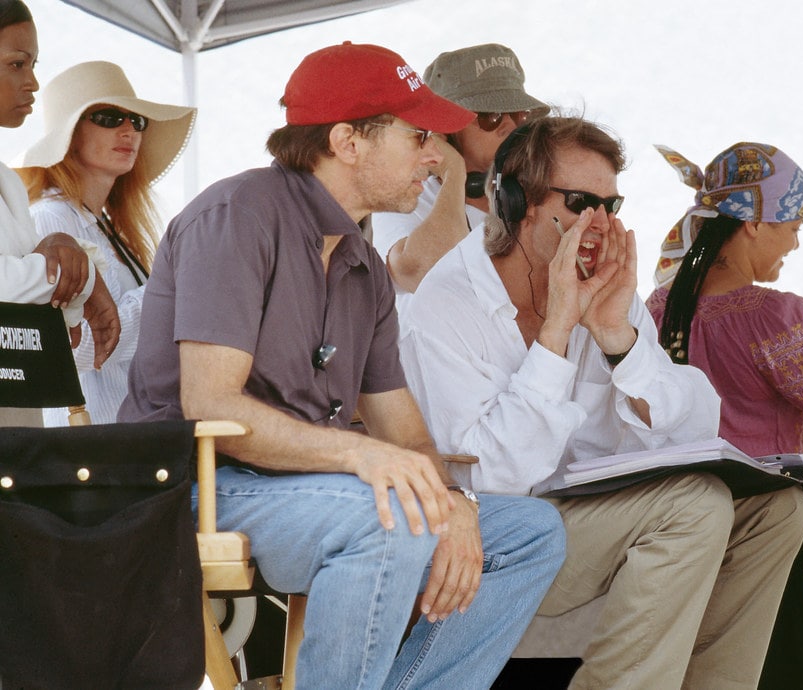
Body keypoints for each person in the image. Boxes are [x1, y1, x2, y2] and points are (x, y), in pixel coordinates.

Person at [117, 42, 565, 688]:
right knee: (388, 516)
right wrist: (361, 458)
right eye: (416, 136)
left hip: (299, 489)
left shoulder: (364, 265)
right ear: (348, 141)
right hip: (192, 484)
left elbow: (403, 433)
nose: (435, 155)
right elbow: (209, 404)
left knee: (529, 532)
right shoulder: (238, 215)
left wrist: (456, 500)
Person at [399, 116, 803, 689]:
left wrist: (619, 337)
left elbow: (690, 427)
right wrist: (558, 332)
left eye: (611, 206)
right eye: (580, 201)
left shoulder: (602, 285)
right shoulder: (448, 303)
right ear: (516, 199)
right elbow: (492, 476)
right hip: (499, 531)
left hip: (592, 519)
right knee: (695, 505)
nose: (599, 222)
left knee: (780, 512)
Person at [650, 141, 803, 690]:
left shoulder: (661, 309)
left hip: (690, 535)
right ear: (755, 223)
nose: (797, 240)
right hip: (778, 534)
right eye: (793, 224)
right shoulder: (771, 318)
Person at [15, 60, 195, 425]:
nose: (129, 130)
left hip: (123, 433)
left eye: (137, 121)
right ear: (70, 134)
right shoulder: (50, 219)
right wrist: (174, 287)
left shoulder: (107, 226)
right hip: (86, 443)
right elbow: (75, 347)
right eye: (110, 118)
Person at [0, 0, 119, 428]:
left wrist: (66, 256)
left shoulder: (9, 182)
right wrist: (78, 272)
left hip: (17, 426)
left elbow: (35, 296)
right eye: (17, 64)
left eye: (32, 65)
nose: (32, 82)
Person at [372, 42, 548, 313]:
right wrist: (454, 173)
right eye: (492, 116)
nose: (512, 127)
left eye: (520, 114)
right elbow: (419, 272)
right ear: (445, 130)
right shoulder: (404, 198)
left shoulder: (545, 194)